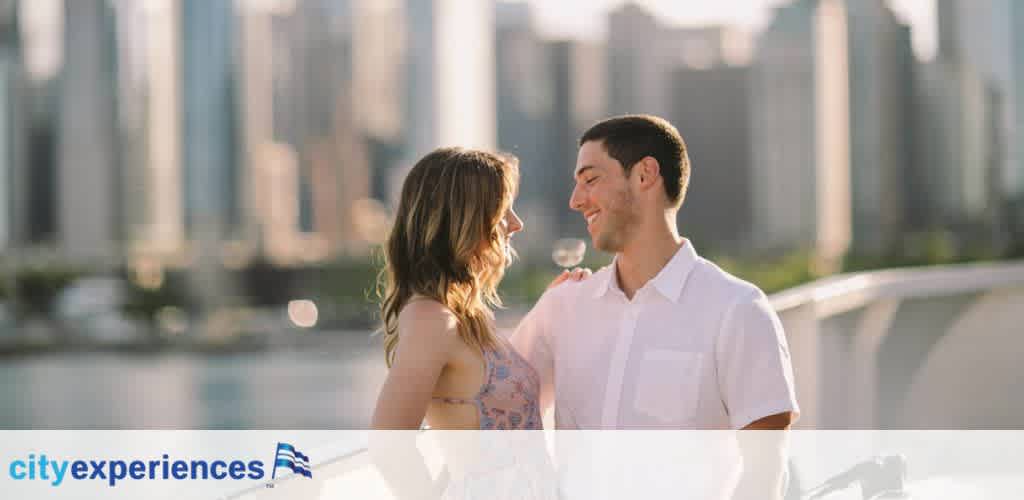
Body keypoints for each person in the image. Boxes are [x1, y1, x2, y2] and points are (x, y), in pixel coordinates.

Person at [510, 115, 800, 499]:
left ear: (645, 174)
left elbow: (765, 476)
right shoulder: (562, 308)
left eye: (590, 179)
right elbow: (489, 405)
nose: (576, 200)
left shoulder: (739, 310)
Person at [369, 147, 584, 500]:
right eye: (503, 211)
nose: (516, 224)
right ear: (463, 219)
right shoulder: (430, 319)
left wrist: (550, 307)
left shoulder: (467, 318)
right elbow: (388, 447)